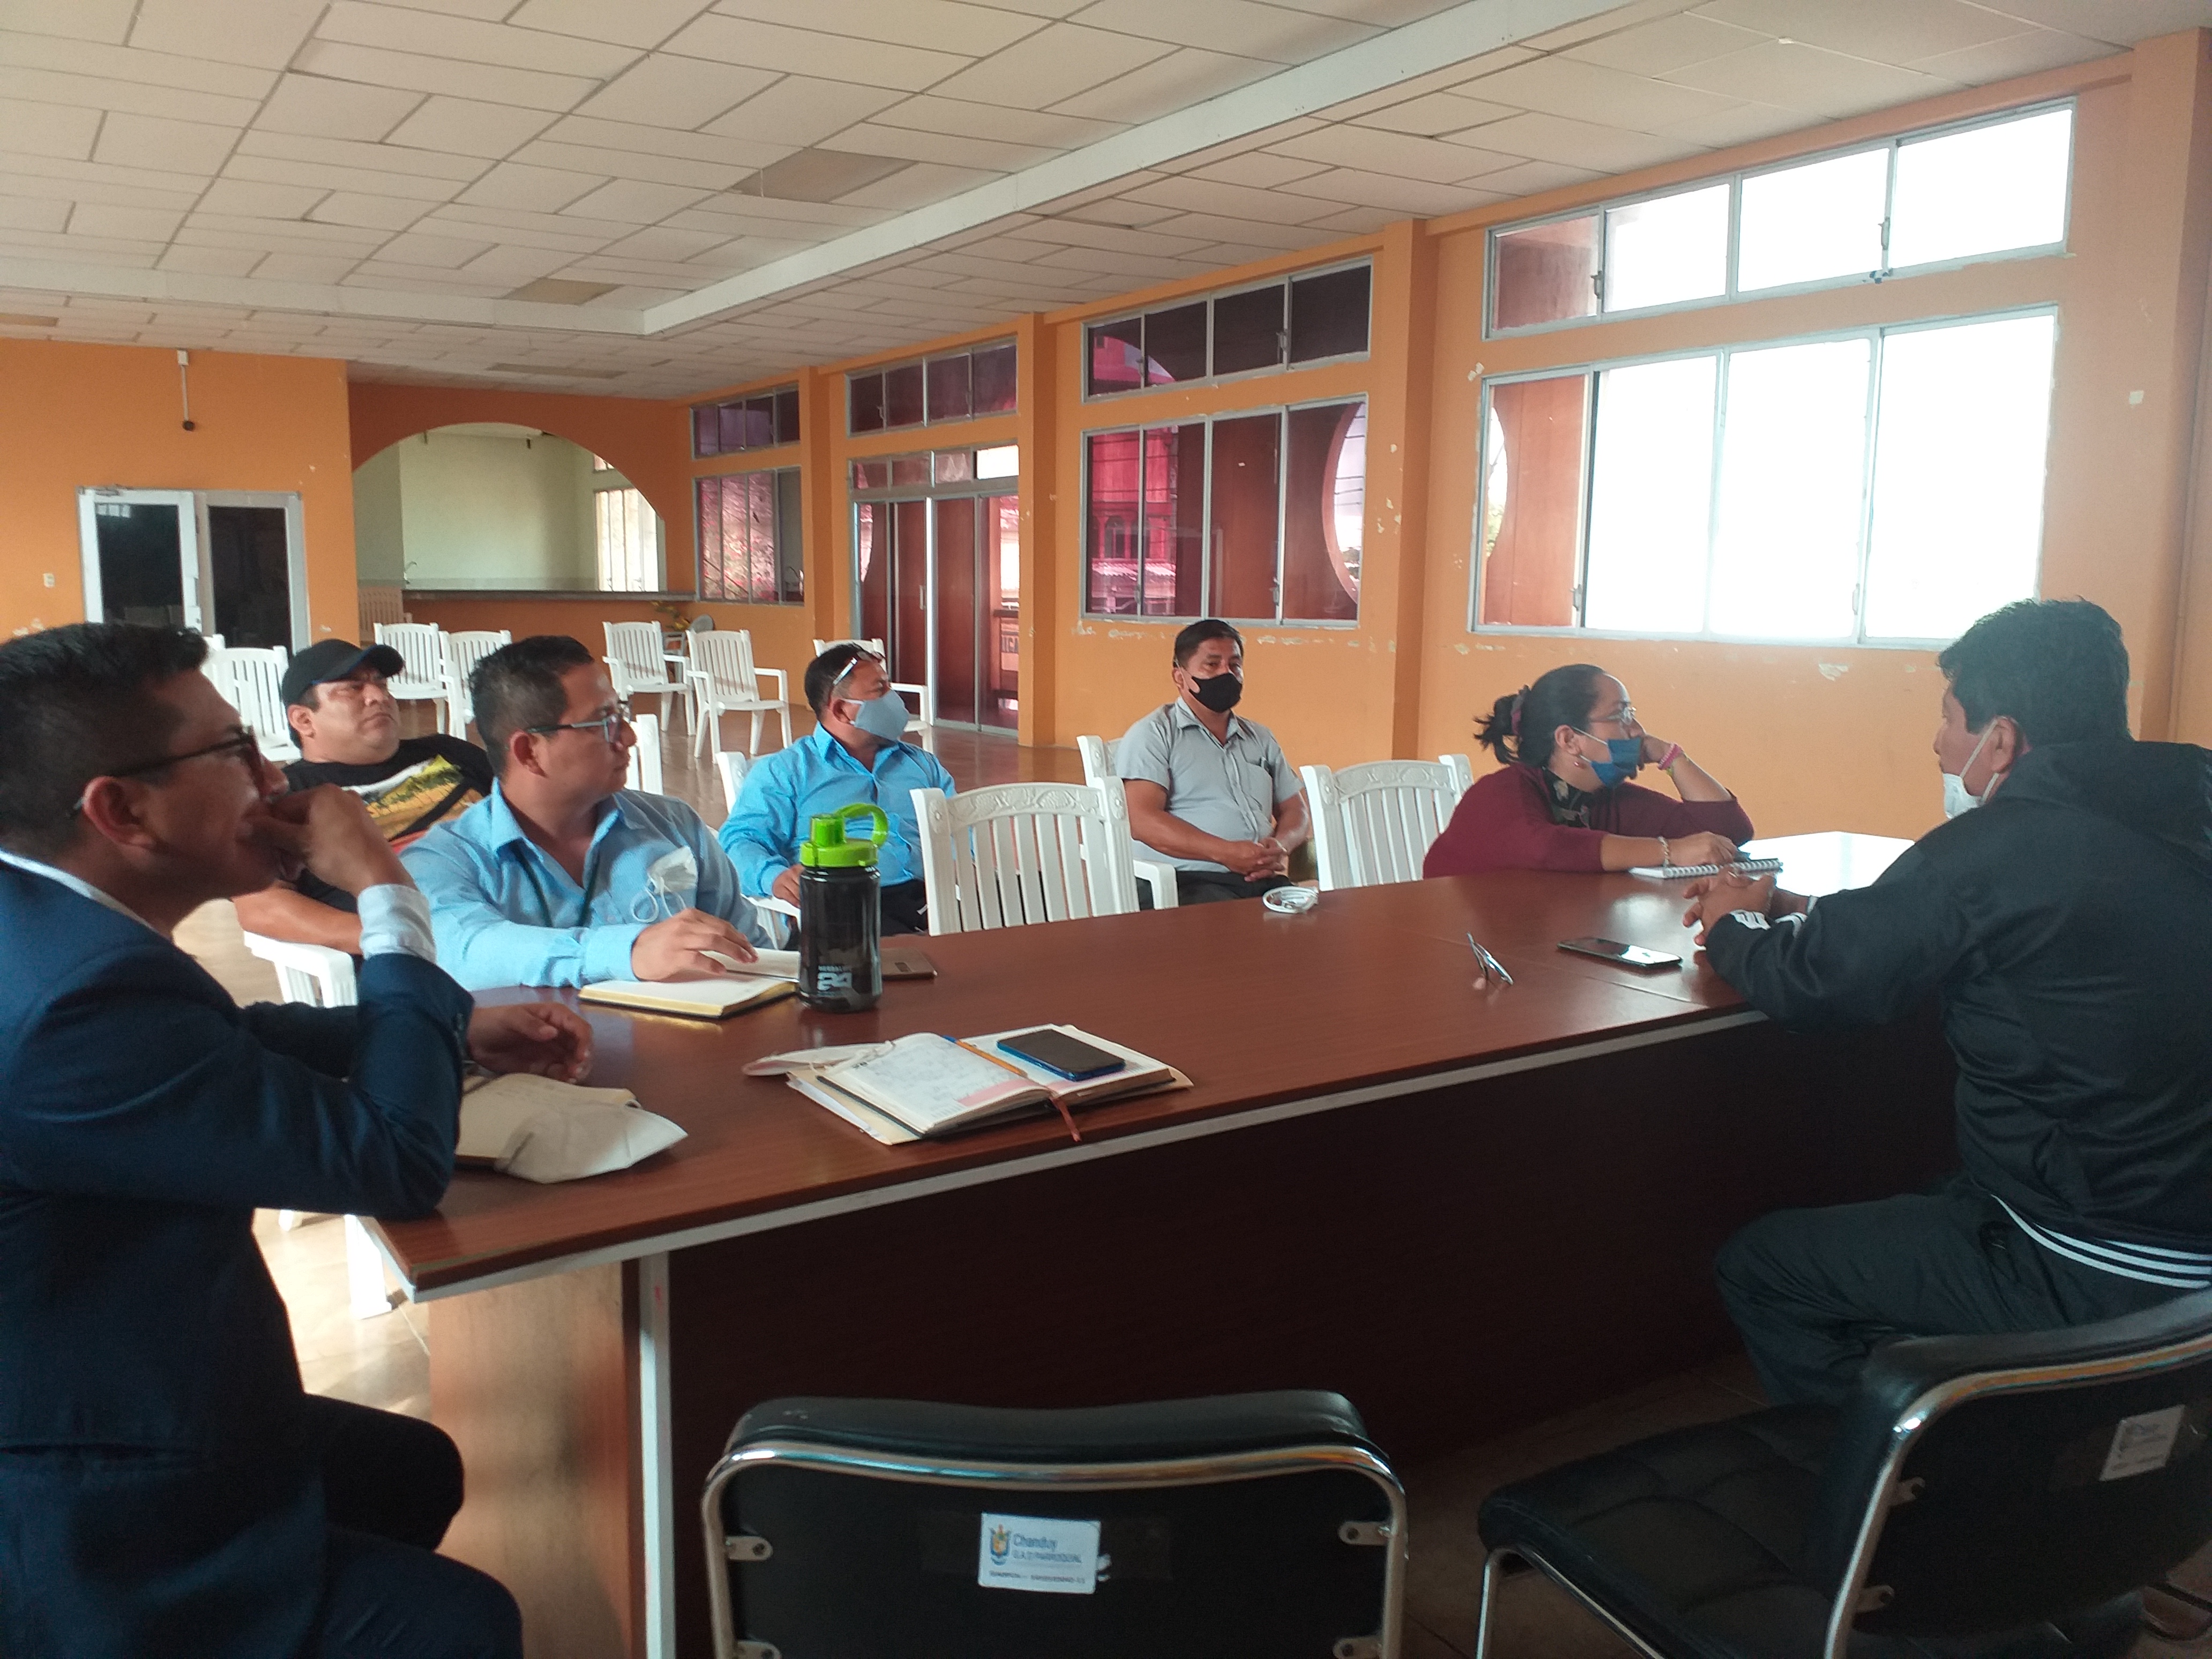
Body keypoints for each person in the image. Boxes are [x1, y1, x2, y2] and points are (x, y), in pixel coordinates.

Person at [0, 622, 592, 1659]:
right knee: (464, 1623)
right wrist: (387, 894)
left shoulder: (49, 925)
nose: (273, 778)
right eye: (235, 753)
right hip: (85, 1488)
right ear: (120, 810)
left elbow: (218, 1040)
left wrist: (447, 1026)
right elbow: (395, 1160)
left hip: (136, 1378)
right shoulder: (70, 1001)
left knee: (408, 1470)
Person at [1682, 599, 2212, 1407]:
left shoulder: (1997, 847)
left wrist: (1732, 925)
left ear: (2000, 739)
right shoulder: (2185, 809)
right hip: (2182, 1216)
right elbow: (2011, 925)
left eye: (1948, 719)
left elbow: (1813, 985)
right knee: (1923, 1182)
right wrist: (1797, 906)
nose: (1937, 743)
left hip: (2104, 1257)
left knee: (1763, 1264)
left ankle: (1894, 1468)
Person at [402, 634, 771, 991]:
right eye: (604, 723)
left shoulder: (674, 825)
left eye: (620, 714)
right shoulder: (444, 861)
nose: (628, 737)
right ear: (529, 751)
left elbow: (755, 956)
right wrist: (628, 952)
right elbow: (468, 949)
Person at [234, 638, 493, 954]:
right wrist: (398, 935)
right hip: (436, 951)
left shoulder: (450, 752)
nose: (378, 696)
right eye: (352, 688)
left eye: (381, 684)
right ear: (304, 720)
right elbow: (260, 907)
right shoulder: (291, 796)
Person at [1423, 663, 1752, 876]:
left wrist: (1670, 756)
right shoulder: (1499, 793)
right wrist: (1672, 851)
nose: (1637, 730)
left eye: (1631, 715)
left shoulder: (1601, 798)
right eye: (1620, 716)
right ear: (1569, 740)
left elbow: (1727, 832)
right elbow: (1547, 848)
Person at [720, 643, 955, 935]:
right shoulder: (787, 771)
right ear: (842, 710)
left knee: (1009, 920)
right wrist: (774, 877)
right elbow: (740, 840)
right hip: (845, 904)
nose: (893, 698)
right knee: (916, 954)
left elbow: (960, 825)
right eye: (880, 690)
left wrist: (967, 866)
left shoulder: (921, 764)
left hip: (936, 895)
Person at [1117, 620, 1311, 906]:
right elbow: (1142, 820)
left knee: (1318, 923)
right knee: (1240, 928)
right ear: (1180, 676)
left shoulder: (1259, 737)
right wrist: (1225, 853)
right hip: (1186, 882)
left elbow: (1295, 809)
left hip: (1260, 879)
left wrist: (1281, 846)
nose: (1226, 673)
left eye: (1235, 665)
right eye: (1212, 664)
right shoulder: (1154, 734)